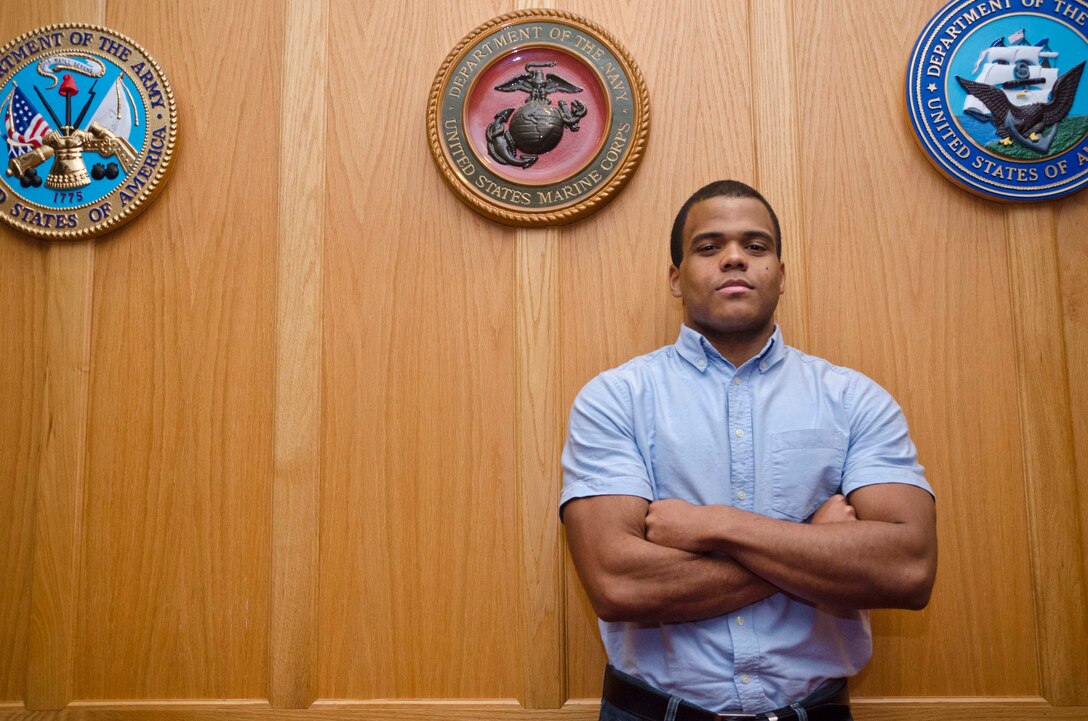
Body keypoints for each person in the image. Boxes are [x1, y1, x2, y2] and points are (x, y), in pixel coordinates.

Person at [560, 180, 937, 721]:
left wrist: (716, 526)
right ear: (676, 277)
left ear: (780, 276)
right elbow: (618, 583)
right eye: (709, 247)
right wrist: (816, 547)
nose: (734, 258)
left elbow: (907, 571)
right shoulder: (617, 399)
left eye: (756, 247)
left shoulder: (853, 399)